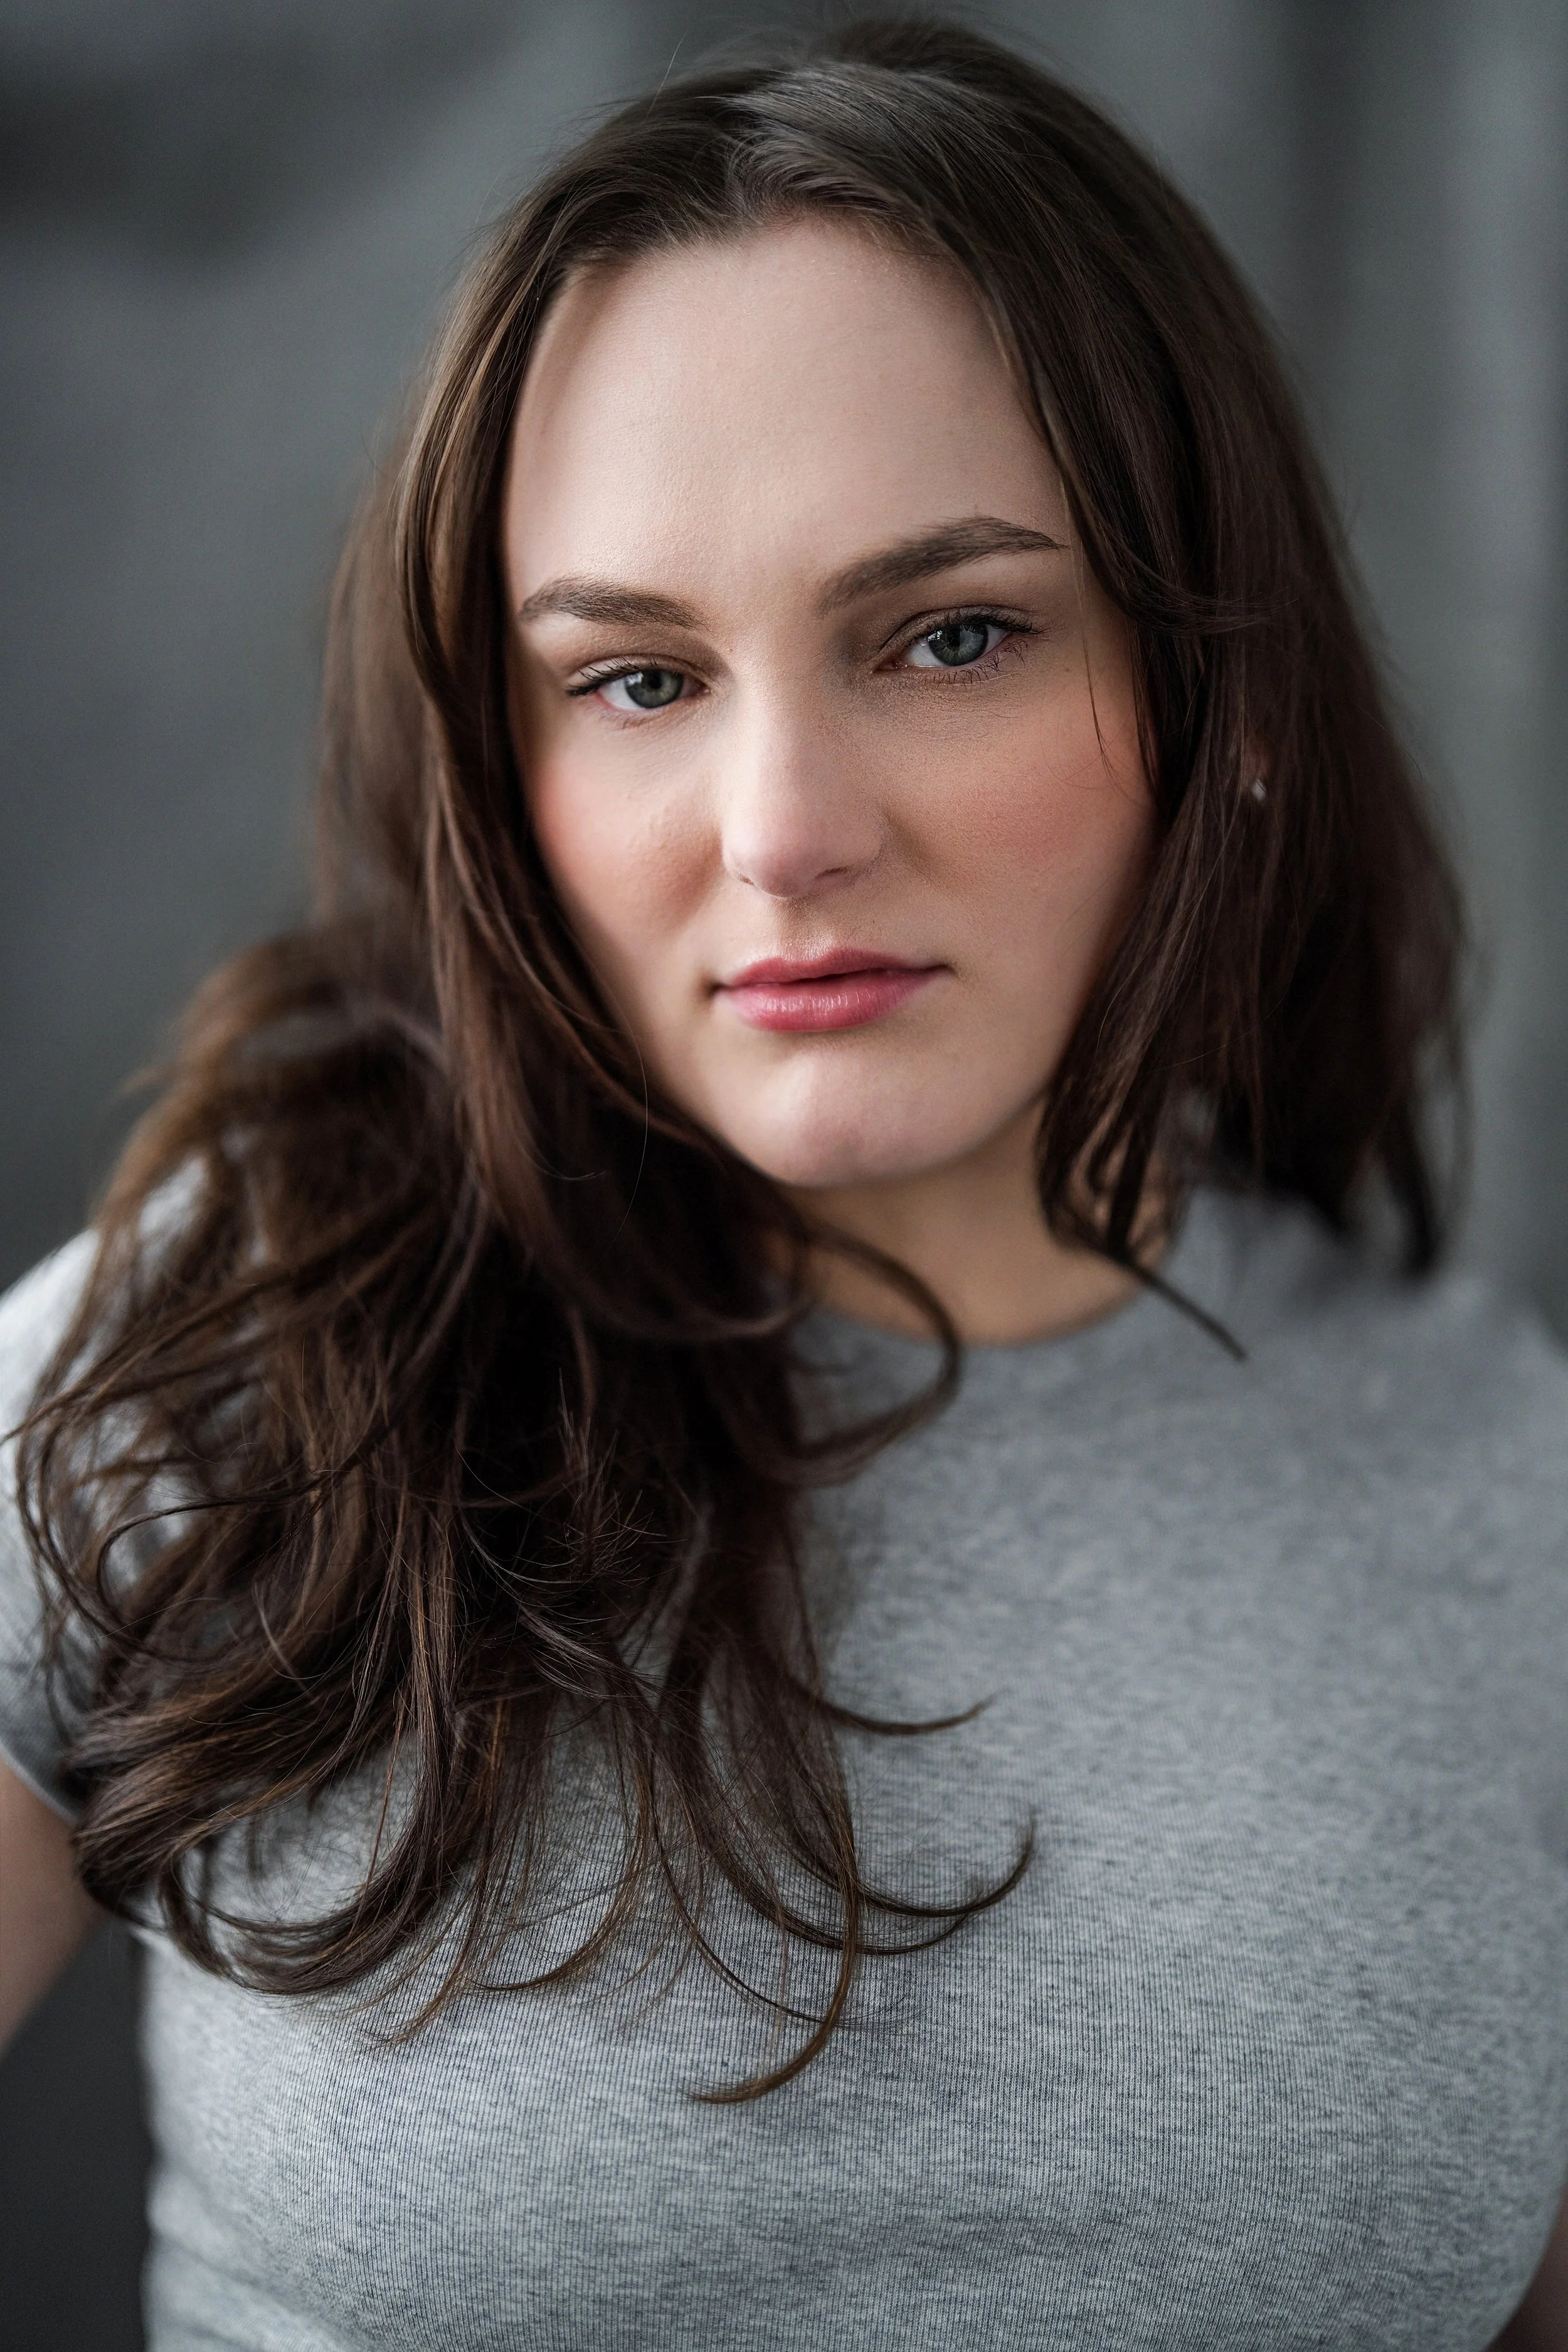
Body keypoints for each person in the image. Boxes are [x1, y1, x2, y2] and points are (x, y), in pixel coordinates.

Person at [1, 16, 1565, 2348]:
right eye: (637, 679)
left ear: (1227, 701)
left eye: (951, 636)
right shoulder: (235, 1342)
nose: (783, 830)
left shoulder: (1490, 1469)